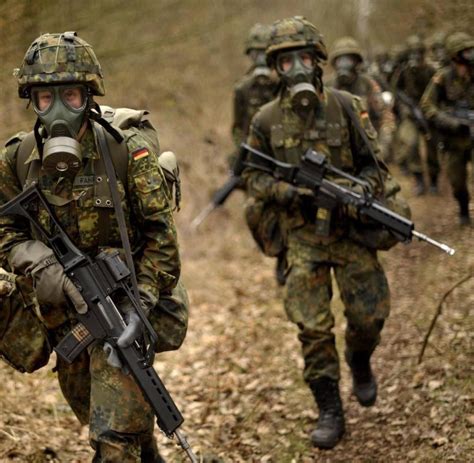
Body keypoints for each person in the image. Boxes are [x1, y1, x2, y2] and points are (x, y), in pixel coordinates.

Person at [0, 32, 188, 462]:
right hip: (66, 317)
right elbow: (4, 228)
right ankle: (146, 448)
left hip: (125, 305)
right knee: (95, 411)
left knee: (112, 441)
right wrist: (35, 260)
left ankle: (127, 441)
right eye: (46, 98)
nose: (59, 108)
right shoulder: (16, 160)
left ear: (88, 96)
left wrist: (140, 303)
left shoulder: (127, 153)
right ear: (32, 100)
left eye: (70, 94)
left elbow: (162, 238)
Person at [242, 16, 391, 450]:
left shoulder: (346, 105)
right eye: (286, 63)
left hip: (350, 231)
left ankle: (360, 360)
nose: (297, 69)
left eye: (303, 58)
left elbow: (374, 166)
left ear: (318, 60)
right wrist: (291, 192)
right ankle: (329, 408)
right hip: (303, 237)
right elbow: (252, 178)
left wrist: (358, 190)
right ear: (276, 69)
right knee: (312, 327)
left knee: (370, 316)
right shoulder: (265, 120)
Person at [421, 31, 474, 225]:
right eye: (465, 51)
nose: (470, 54)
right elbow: (427, 105)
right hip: (454, 139)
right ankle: (463, 210)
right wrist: (450, 122)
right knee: (457, 182)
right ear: (455, 54)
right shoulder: (443, 77)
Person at [327, 36, 395, 161]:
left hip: (366, 150)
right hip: (335, 153)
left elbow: (386, 117)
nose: (344, 64)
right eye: (340, 60)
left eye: (349, 60)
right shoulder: (327, 87)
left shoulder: (367, 84)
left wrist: (381, 148)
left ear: (357, 62)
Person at [391, 35, 439, 194]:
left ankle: (433, 180)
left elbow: (439, 92)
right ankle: (418, 179)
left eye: (418, 52)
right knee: (411, 144)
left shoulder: (431, 70)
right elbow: (396, 89)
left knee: (432, 148)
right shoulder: (404, 71)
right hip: (411, 113)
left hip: (429, 114)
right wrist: (406, 106)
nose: (415, 56)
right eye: (412, 53)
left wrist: (432, 111)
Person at [231, 23, 279, 154]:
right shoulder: (243, 88)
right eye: (256, 53)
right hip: (253, 151)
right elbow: (238, 127)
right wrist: (242, 150)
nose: (261, 58)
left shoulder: (283, 84)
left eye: (265, 53)